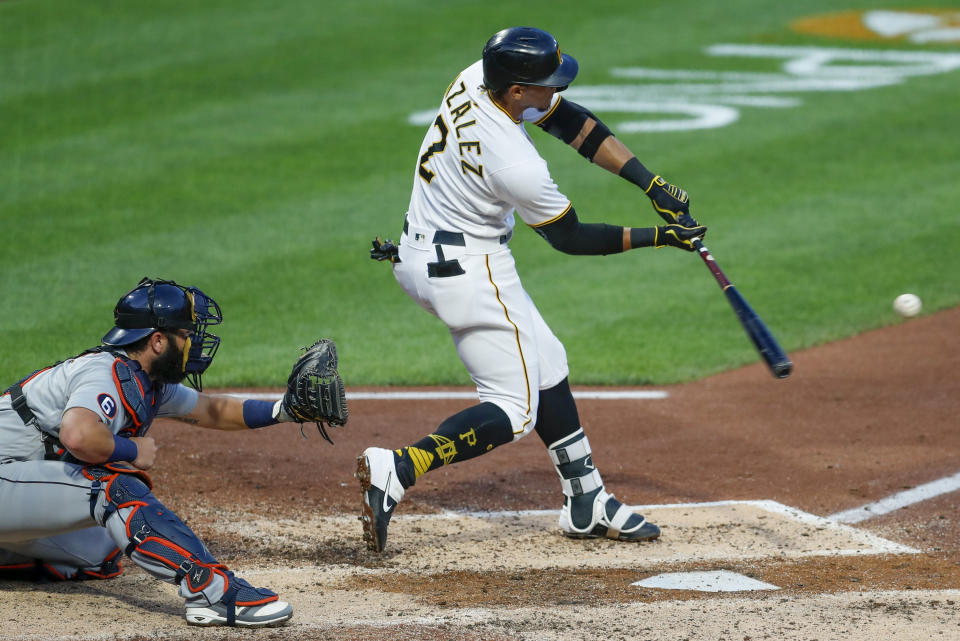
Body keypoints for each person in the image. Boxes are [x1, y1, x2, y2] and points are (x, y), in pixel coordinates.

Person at [359, 26, 707, 553]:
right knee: (514, 409)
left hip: (422, 250)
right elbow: (569, 237)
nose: (555, 90)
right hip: (470, 270)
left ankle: (586, 500)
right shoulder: (515, 163)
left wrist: (648, 182)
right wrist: (661, 237)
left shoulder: (479, 78)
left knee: (547, 360)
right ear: (517, 89)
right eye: (546, 83)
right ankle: (399, 468)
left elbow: (569, 121)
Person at [0, 278, 315, 627]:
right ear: (158, 340)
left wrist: (286, 410)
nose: (193, 343)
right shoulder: (105, 373)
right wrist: (132, 448)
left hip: (12, 487)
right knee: (111, 488)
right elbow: (78, 435)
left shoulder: (148, 384)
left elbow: (214, 410)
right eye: (186, 334)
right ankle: (213, 594)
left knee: (99, 551)